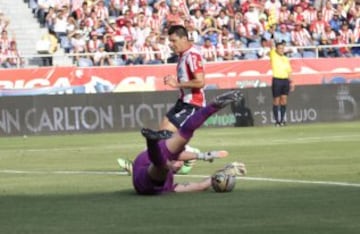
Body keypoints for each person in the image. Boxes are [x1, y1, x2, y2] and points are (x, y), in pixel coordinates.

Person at [132, 90, 247, 195]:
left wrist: (226, 171)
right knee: (185, 133)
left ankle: (152, 141)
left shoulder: (170, 186)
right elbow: (179, 158)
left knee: (163, 165)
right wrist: (205, 155)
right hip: (152, 164)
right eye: (180, 162)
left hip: (145, 177)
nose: (180, 163)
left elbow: (201, 186)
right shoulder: (169, 181)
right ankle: (214, 105)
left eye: (180, 164)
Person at [269, 40, 294, 126]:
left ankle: (282, 120)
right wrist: (271, 34)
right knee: (276, 100)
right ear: (276, 49)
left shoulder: (286, 59)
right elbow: (271, 44)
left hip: (285, 80)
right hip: (277, 80)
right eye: (279, 48)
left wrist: (291, 82)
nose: (281, 50)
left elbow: (289, 71)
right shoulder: (273, 55)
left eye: (282, 48)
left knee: (284, 100)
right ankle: (277, 121)